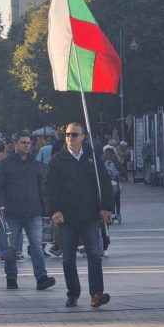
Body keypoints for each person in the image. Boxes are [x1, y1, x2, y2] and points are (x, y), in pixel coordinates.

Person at [44, 123, 113, 308]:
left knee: (94, 255)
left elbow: (105, 183)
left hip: (90, 215)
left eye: (74, 134)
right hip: (67, 217)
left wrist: (105, 207)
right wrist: (54, 210)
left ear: (83, 136)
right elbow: (49, 187)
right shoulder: (57, 159)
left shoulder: (92, 158)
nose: (70, 137)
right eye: (67, 134)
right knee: (68, 258)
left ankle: (96, 294)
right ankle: (73, 293)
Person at [0, 131, 56, 291]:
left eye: (29, 143)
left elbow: (44, 186)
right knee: (11, 248)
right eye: (23, 142)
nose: (27, 145)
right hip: (11, 213)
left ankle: (41, 277)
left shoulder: (35, 164)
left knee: (37, 245)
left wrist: (46, 207)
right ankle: (11, 276)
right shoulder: (5, 165)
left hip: (33, 212)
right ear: (15, 144)